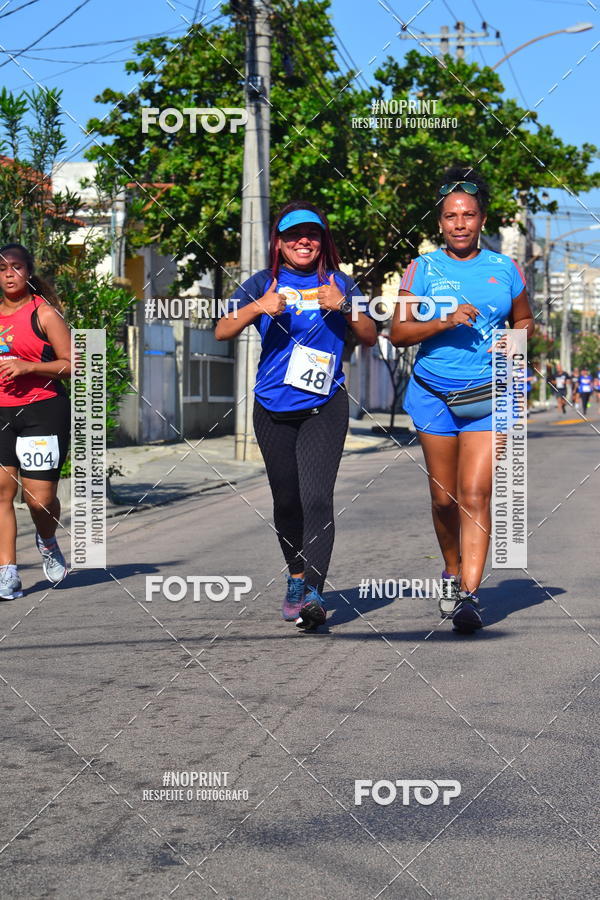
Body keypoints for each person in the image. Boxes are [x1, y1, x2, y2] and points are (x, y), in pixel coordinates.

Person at [216, 202, 376, 629]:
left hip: (325, 405)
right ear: (279, 242)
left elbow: (370, 336)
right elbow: (222, 329)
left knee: (317, 499)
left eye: (312, 234)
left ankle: (315, 594)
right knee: (286, 501)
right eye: (293, 236)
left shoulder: (339, 283)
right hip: (271, 407)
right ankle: (297, 575)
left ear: (323, 241)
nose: (303, 241)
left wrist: (343, 306)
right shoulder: (262, 283)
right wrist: (257, 308)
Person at [390, 166, 534, 633]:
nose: (459, 223)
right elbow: (398, 332)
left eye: (468, 215)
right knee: (443, 499)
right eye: (451, 215)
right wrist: (445, 320)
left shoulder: (504, 269)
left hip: (490, 395)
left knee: (476, 494)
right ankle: (451, 569)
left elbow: (527, 323)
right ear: (439, 222)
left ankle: (469, 595)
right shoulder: (423, 268)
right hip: (433, 394)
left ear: (482, 219)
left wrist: (513, 341)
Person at [0, 244, 72, 599]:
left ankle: (47, 541)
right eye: (2, 268)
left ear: (28, 271)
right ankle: (8, 571)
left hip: (42, 409)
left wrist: (29, 367)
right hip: (1, 411)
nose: (9, 274)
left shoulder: (44, 314)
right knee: (1, 492)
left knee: (39, 499)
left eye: (16, 267)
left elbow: (72, 364)